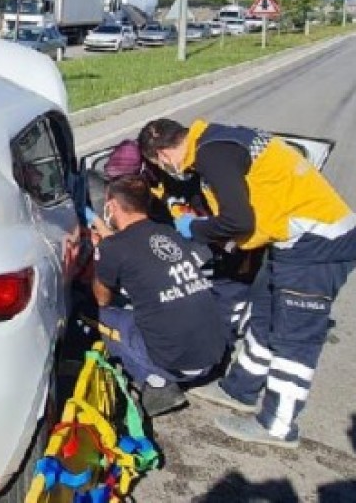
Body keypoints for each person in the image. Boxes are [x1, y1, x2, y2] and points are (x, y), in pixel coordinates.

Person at [139, 117, 356, 448]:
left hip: (318, 245)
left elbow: (238, 219)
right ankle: (239, 389)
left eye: (158, 164)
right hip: (290, 241)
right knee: (265, 314)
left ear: (163, 155)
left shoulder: (212, 154)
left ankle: (278, 425)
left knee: (295, 336)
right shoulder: (217, 141)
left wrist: (194, 229)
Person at [90, 175, 228, 416]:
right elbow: (136, 252)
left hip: (178, 364)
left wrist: (98, 254)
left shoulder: (113, 249)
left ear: (111, 206)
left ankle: (154, 381)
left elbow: (102, 299)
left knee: (101, 316)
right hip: (214, 355)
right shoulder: (169, 233)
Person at [102, 138, 259, 338]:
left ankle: (234, 319)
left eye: (127, 182)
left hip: (215, 256)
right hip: (198, 251)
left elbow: (224, 225)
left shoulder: (186, 183)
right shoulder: (155, 194)